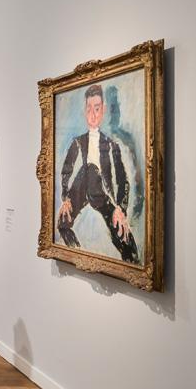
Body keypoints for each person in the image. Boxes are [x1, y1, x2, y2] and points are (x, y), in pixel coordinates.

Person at [57, 84, 139, 263]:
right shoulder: (77, 142)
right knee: (62, 222)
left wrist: (120, 208)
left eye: (96, 109)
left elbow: (123, 180)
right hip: (80, 188)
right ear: (84, 111)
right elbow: (66, 171)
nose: (93, 115)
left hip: (102, 194)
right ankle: (77, 253)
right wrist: (65, 198)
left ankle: (132, 261)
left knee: (123, 235)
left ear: (103, 110)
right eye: (89, 109)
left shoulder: (111, 146)